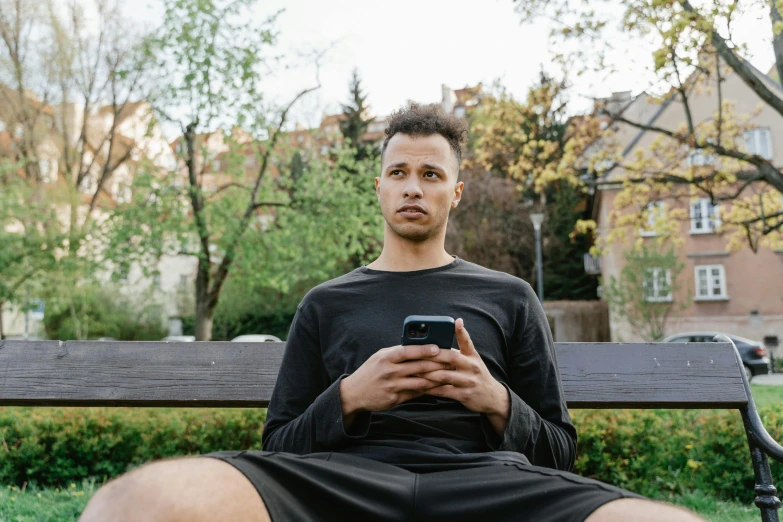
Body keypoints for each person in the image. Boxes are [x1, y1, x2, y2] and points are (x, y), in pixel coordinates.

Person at [80, 105, 704, 522]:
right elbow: (278, 443)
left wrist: (497, 402)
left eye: (431, 174)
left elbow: (560, 451)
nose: (412, 186)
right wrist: (351, 397)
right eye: (398, 172)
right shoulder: (327, 302)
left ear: (454, 192)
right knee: (133, 503)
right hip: (340, 483)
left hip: (487, 482)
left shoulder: (510, 295)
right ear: (377, 186)